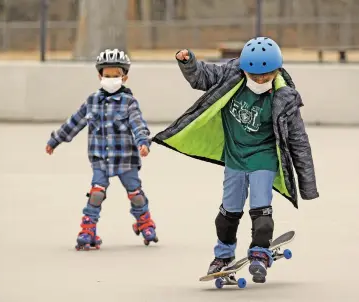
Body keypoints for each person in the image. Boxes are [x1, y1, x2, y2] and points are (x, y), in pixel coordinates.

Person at [152, 37, 319, 282]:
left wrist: (308, 184)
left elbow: (299, 142)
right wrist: (189, 63)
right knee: (228, 214)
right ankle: (223, 256)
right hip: (235, 158)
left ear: (277, 71)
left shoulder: (284, 98)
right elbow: (203, 77)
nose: (260, 80)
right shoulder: (231, 76)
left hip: (264, 157)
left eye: (267, 75)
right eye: (254, 75)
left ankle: (260, 251)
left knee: (261, 209)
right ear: (244, 70)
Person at [45, 49, 158, 250]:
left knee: (136, 193)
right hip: (101, 159)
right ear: (99, 76)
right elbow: (74, 122)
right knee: (96, 193)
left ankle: (145, 222)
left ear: (125, 77)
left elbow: (138, 123)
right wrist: (56, 140)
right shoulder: (92, 101)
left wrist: (143, 142)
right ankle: (88, 229)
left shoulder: (129, 102)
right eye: (107, 76)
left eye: (116, 76)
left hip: (126, 159)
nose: (111, 79)